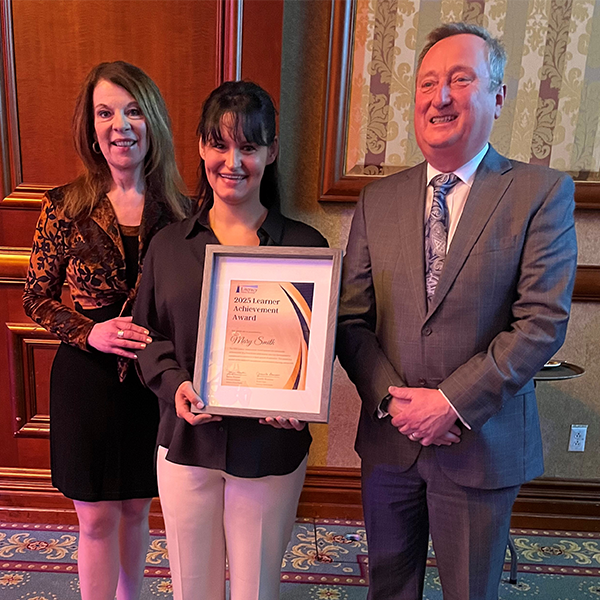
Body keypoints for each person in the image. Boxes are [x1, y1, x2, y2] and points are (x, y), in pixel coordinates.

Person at [337, 22, 577, 600]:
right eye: (427, 83)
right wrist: (394, 401)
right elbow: (351, 319)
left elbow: (541, 321)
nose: (439, 96)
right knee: (388, 587)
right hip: (390, 440)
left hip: (481, 443)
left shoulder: (540, 193)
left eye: (460, 79)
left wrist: (450, 403)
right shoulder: (378, 199)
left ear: (498, 96)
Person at [133, 80, 328, 600]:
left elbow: (318, 345)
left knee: (255, 590)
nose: (233, 162)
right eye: (219, 144)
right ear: (201, 146)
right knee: (191, 588)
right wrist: (174, 384)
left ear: (271, 152)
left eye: (248, 146)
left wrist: (299, 399)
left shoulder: (306, 247)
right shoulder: (168, 245)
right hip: (186, 442)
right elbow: (146, 335)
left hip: (270, 447)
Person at [23, 61, 191, 600]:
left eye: (133, 110)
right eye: (105, 112)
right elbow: (35, 297)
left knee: (138, 506)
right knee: (95, 518)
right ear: (91, 127)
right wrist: (88, 333)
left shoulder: (183, 211)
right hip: (87, 379)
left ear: (153, 121)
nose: (120, 125)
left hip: (153, 381)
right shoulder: (62, 206)